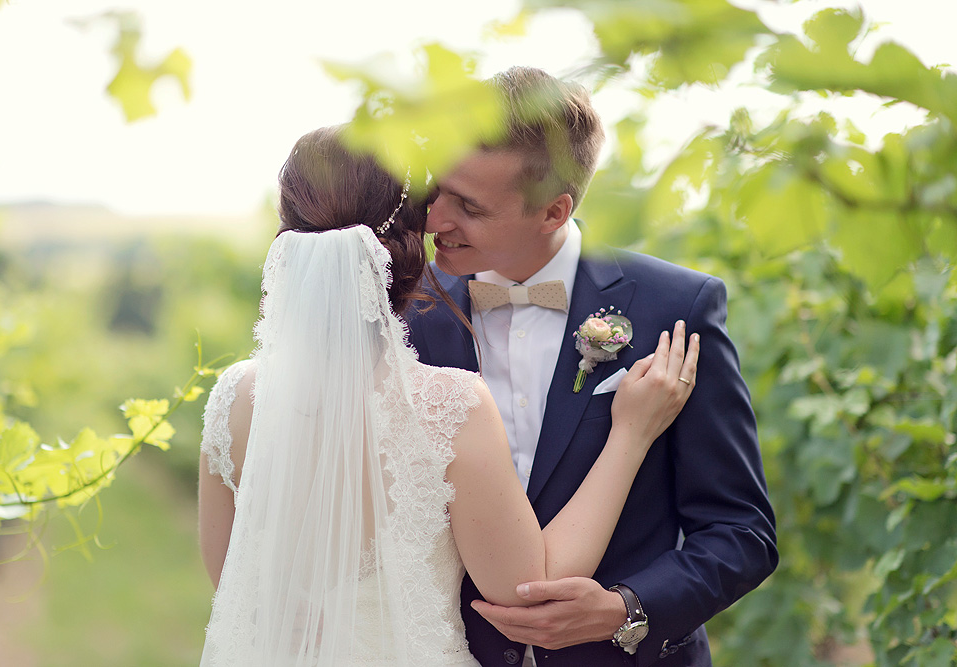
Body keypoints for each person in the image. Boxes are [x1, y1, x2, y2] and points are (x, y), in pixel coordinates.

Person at [197, 125, 699, 666]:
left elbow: (233, 580)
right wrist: (630, 435)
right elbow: (532, 588)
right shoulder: (448, 406)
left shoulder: (233, 400)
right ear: (409, 240)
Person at [406, 66, 778, 666]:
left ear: (553, 212)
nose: (434, 221)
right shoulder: (404, 307)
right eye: (436, 192)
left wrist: (625, 609)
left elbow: (741, 532)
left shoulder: (674, 308)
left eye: (469, 206)